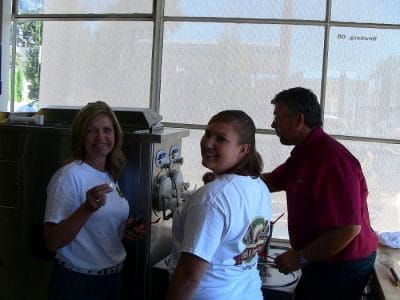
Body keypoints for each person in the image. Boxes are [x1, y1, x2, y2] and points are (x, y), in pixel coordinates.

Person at [262, 87, 378, 300]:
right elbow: (272, 181)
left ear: (299, 119)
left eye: (277, 118)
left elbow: (348, 229)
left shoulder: (332, 161)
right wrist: (231, 180)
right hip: (322, 259)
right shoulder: (305, 153)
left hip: (341, 265)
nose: (272, 125)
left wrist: (300, 258)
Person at [43, 101, 145, 300]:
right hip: (78, 284)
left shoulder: (109, 174)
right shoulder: (69, 176)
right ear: (81, 136)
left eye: (107, 130)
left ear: (115, 135)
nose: (101, 137)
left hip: (112, 280)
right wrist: (86, 209)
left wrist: (126, 231)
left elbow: (96, 230)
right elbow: (52, 241)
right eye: (92, 130)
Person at [167, 110, 272, 300]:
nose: (208, 143)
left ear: (243, 150)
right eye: (207, 134)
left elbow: (189, 277)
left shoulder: (212, 197)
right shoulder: (259, 186)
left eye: (221, 139)